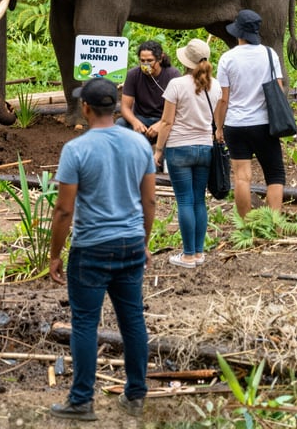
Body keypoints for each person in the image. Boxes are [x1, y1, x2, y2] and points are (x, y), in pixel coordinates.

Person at [49, 78, 156, 421]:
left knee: (84, 323)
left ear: (86, 108)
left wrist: (55, 254)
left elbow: (64, 210)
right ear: (116, 107)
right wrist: (143, 241)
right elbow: (150, 201)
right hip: (130, 244)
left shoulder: (76, 150)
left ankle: (82, 400)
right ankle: (136, 395)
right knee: (132, 319)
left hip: (91, 248)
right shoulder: (139, 144)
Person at [154, 38, 222, 268]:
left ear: (186, 61)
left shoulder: (176, 84)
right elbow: (217, 121)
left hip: (179, 148)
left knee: (184, 200)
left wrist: (158, 150)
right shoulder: (216, 86)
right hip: (205, 148)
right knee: (199, 200)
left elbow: (166, 122)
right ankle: (199, 253)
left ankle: (188, 255)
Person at [215, 10, 286, 217]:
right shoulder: (269, 54)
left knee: (241, 177)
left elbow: (223, 98)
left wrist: (219, 127)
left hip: (235, 125)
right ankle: (273, 224)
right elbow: (278, 88)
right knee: (275, 176)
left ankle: (246, 226)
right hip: (264, 124)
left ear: (238, 32)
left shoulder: (227, 58)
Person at [117, 41, 181, 141]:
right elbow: (125, 107)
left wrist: (162, 124)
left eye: (150, 61)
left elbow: (179, 108)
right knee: (120, 124)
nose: (145, 64)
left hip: (164, 119)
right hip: (141, 118)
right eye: (142, 60)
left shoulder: (173, 74)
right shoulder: (133, 74)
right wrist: (135, 122)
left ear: (160, 59)